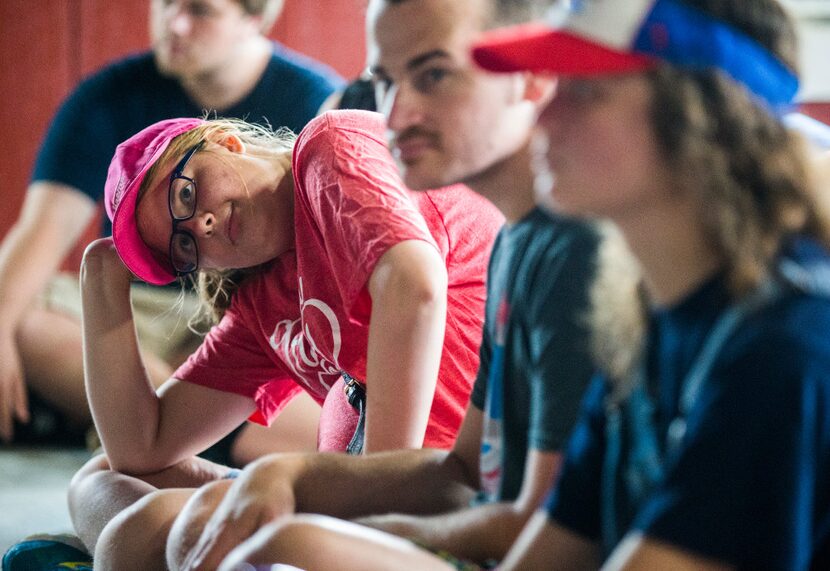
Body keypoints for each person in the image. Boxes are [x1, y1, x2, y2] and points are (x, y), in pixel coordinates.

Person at [170, 0, 830, 569]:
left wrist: (326, 536)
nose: (543, 117)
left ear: (698, 115)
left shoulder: (778, 351)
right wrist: (302, 487)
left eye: (585, 92)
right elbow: (552, 538)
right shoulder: (645, 312)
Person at [63, 106, 501, 570]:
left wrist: (374, 506)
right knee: (98, 482)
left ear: (225, 141)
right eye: (184, 246)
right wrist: (100, 276)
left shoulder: (325, 149)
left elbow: (415, 286)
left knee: (150, 531)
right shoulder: (260, 301)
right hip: (342, 497)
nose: (201, 226)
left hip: (437, 489)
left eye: (186, 195)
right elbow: (139, 450)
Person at [0, 0, 342, 460]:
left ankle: (150, 419)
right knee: (19, 313)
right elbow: (41, 231)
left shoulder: (321, 106)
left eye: (201, 10)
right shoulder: (107, 95)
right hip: (141, 306)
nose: (175, 24)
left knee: (302, 371)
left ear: (254, 18)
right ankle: (174, 421)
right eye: (166, 4)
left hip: (245, 306)